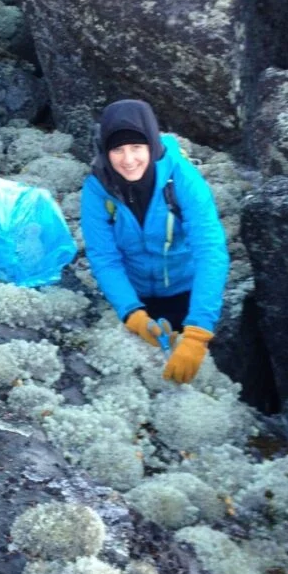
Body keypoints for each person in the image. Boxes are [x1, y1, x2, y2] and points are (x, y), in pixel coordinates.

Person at [80, 99, 230, 384]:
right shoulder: (97, 189)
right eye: (117, 149)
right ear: (105, 151)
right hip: (135, 297)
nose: (128, 159)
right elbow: (103, 257)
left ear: (151, 144)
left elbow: (210, 251)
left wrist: (198, 331)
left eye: (137, 147)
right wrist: (131, 313)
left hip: (187, 292)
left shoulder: (181, 179)